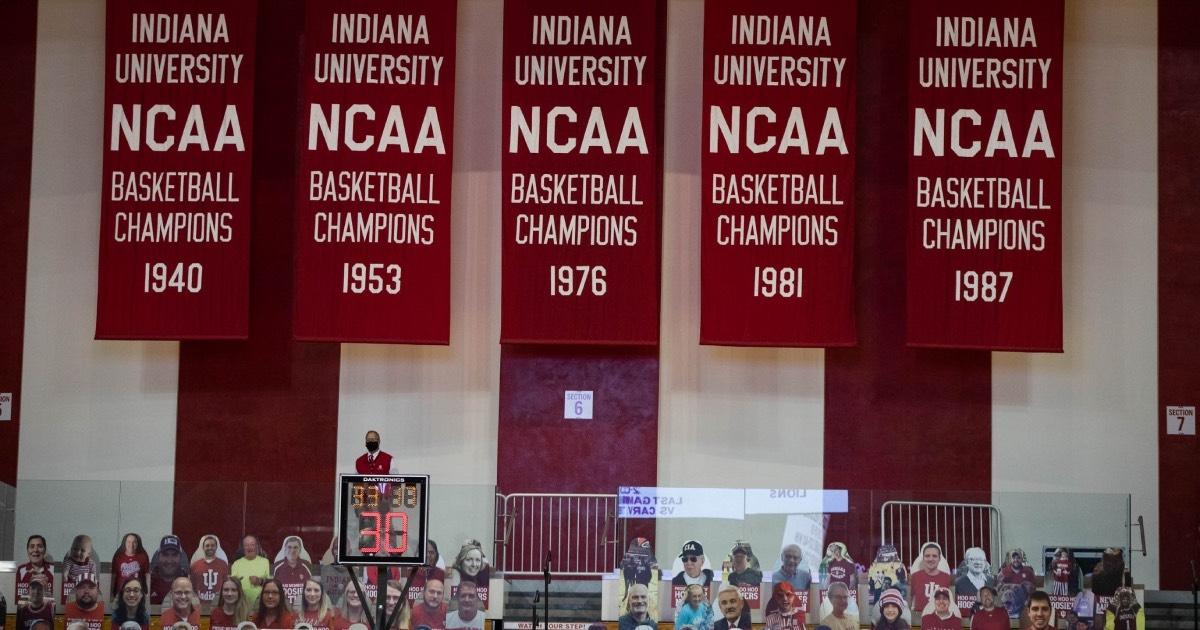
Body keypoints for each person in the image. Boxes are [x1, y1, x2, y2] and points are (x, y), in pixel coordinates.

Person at [909, 542, 952, 613]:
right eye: (927, 556)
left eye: (934, 556)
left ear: (939, 559)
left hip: (940, 616)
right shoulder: (914, 576)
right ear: (923, 558)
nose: (930, 559)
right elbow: (910, 600)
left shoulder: (947, 578)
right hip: (918, 617)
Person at [272, 535, 314, 608]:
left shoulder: (307, 566)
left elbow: (311, 588)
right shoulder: (277, 567)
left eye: (295, 547)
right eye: (289, 547)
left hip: (302, 607)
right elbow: (274, 589)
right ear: (285, 549)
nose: (292, 550)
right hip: (282, 607)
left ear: (300, 550)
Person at [190, 534, 231, 609]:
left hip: (218, 606)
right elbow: (192, 587)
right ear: (203, 548)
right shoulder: (194, 566)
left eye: (212, 545)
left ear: (216, 547)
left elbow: (225, 585)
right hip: (200, 607)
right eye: (207, 545)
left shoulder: (223, 565)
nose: (210, 547)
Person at [232, 535, 272, 608]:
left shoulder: (265, 562)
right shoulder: (236, 564)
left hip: (261, 602)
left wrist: (259, 581)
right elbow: (232, 585)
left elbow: (270, 584)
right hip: (242, 603)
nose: (249, 547)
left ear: (256, 547)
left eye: (252, 545)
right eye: (246, 545)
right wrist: (237, 582)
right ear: (243, 548)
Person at [447, 540, 490, 606]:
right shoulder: (455, 574)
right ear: (461, 560)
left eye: (478, 560)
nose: (474, 564)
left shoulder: (484, 572)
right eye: (469, 559)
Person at [149, 536, 190, 605]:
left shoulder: (189, 582)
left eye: (174, 555)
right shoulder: (148, 582)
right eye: (165, 555)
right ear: (158, 556)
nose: (169, 561)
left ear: (180, 557)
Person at [111, 534, 151, 603]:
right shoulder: (118, 557)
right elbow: (113, 577)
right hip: (121, 594)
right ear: (124, 543)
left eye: (134, 542)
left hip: (138, 595)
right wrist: (111, 594)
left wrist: (147, 594)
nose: (131, 545)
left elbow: (147, 576)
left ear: (137, 544)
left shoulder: (143, 557)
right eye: (128, 542)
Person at [15, 535, 53, 606]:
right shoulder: (21, 570)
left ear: (44, 550)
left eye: (40, 546)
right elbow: (19, 602)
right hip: (28, 611)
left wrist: (45, 588)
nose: (35, 550)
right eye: (32, 547)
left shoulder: (53, 569)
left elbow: (56, 601)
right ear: (27, 550)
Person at [61, 536, 99, 604]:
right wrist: (65, 576)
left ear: (88, 554)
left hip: (84, 586)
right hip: (72, 585)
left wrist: (94, 584)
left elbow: (93, 576)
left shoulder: (91, 563)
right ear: (71, 549)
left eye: (82, 550)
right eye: (75, 549)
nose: (78, 552)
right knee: (72, 601)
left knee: (84, 601)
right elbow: (65, 571)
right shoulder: (69, 561)